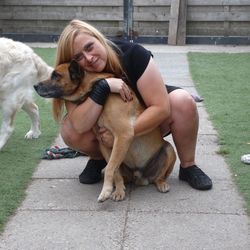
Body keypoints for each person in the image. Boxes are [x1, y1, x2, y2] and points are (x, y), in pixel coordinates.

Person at [54, 19, 212, 190]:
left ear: (99, 38)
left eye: (89, 47)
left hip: (147, 120)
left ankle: (188, 166)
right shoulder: (72, 74)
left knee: (183, 101)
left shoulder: (133, 53)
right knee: (69, 130)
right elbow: (79, 124)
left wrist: (121, 134)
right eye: (78, 57)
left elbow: (161, 108)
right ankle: (100, 158)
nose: (89, 58)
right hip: (107, 129)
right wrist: (104, 86)